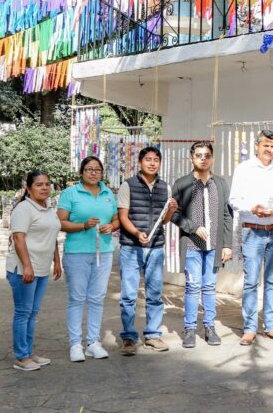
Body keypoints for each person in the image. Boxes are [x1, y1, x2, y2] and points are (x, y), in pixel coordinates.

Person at [229, 130, 273, 345]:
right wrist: (252, 208)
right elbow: (234, 200)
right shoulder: (244, 169)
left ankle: (271, 326)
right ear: (257, 145)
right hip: (253, 231)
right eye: (266, 145)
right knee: (251, 282)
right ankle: (249, 328)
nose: (270, 150)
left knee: (272, 280)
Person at [171, 142, 233, 348]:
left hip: (214, 245)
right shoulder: (182, 184)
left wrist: (227, 245)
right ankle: (189, 329)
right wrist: (193, 227)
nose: (203, 159)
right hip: (191, 245)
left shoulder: (220, 184)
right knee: (192, 286)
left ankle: (210, 327)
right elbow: (174, 214)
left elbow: (227, 215)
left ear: (212, 158)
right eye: (199, 155)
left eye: (207, 155)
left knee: (209, 287)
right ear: (192, 158)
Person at [58, 156, 119, 362]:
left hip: (104, 252)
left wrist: (111, 226)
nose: (93, 173)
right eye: (89, 169)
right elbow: (60, 222)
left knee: (97, 298)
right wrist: (83, 225)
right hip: (77, 252)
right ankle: (76, 344)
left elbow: (116, 218)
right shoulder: (70, 193)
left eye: (97, 170)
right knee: (77, 298)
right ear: (82, 172)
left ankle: (93, 342)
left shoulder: (108, 193)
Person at [116, 146, 177, 356]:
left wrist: (171, 211)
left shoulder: (165, 187)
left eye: (156, 160)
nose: (152, 163)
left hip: (155, 247)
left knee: (155, 294)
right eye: (148, 159)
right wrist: (136, 232)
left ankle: (152, 335)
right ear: (140, 162)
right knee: (129, 295)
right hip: (131, 247)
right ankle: (128, 337)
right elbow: (123, 217)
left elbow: (164, 221)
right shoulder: (128, 185)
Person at [7, 171, 62, 371]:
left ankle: (29, 353)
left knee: (32, 312)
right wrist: (27, 266)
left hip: (41, 269)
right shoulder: (23, 208)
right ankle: (22, 357)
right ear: (28, 188)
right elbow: (18, 238)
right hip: (23, 270)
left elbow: (52, 235)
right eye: (39, 184)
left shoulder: (49, 208)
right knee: (23, 313)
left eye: (47, 184)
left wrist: (57, 260)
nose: (45, 188)